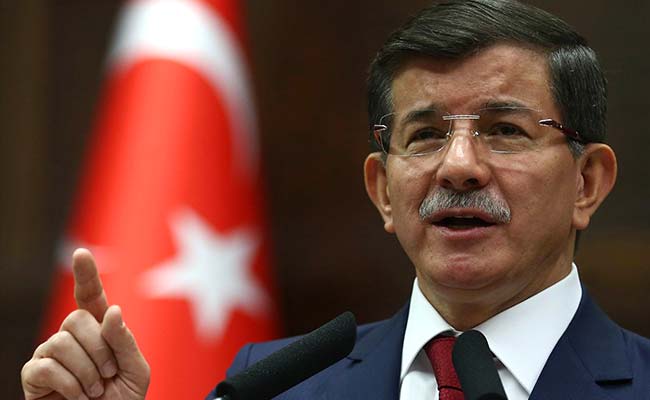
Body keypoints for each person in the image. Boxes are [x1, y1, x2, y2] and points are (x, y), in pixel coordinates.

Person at [21, 0, 650, 399]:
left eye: (505, 131)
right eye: (425, 135)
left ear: (587, 182)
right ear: (382, 191)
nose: (459, 167)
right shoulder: (269, 386)